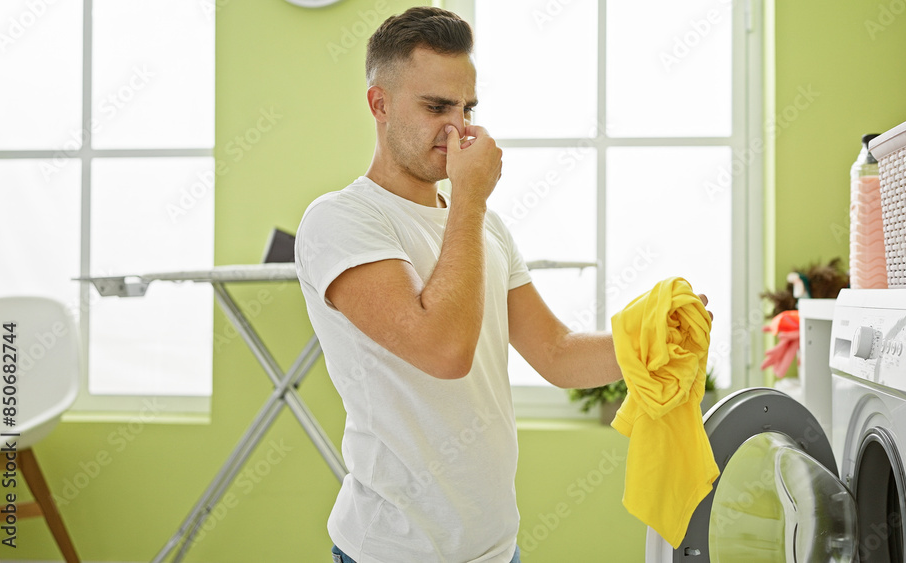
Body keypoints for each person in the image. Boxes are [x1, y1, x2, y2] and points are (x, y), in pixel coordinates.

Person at [295, 7, 710, 563]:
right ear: (380, 104)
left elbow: (557, 355)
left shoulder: (484, 226)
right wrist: (469, 197)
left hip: (497, 550)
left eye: (467, 108)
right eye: (437, 107)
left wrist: (654, 338)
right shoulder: (341, 221)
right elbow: (444, 350)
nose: (459, 127)